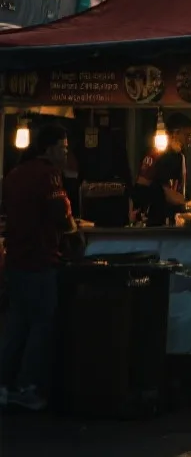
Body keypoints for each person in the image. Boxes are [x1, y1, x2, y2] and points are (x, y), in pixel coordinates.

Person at [0, 124, 78, 411]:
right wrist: (72, 226)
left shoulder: (14, 174)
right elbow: (63, 218)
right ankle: (28, 387)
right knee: (41, 325)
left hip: (15, 260)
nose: (66, 153)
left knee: (17, 325)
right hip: (40, 260)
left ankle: (4, 384)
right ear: (50, 148)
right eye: (64, 148)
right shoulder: (49, 176)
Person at [147, 113, 191, 227]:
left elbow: (179, 188)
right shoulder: (163, 156)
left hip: (176, 217)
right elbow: (167, 192)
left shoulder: (180, 156)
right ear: (175, 133)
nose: (190, 140)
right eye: (187, 135)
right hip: (160, 220)